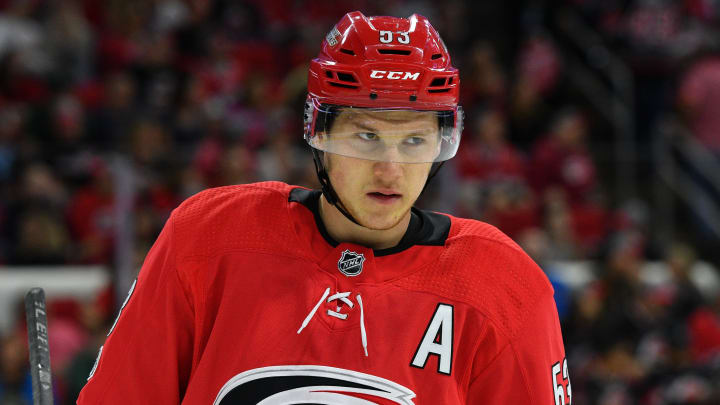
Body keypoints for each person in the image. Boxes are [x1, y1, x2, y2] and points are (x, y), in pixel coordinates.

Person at [77, 11, 570, 404]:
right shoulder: (208, 238)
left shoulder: (504, 288)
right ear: (319, 135)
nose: (391, 170)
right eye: (366, 136)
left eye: (416, 140)